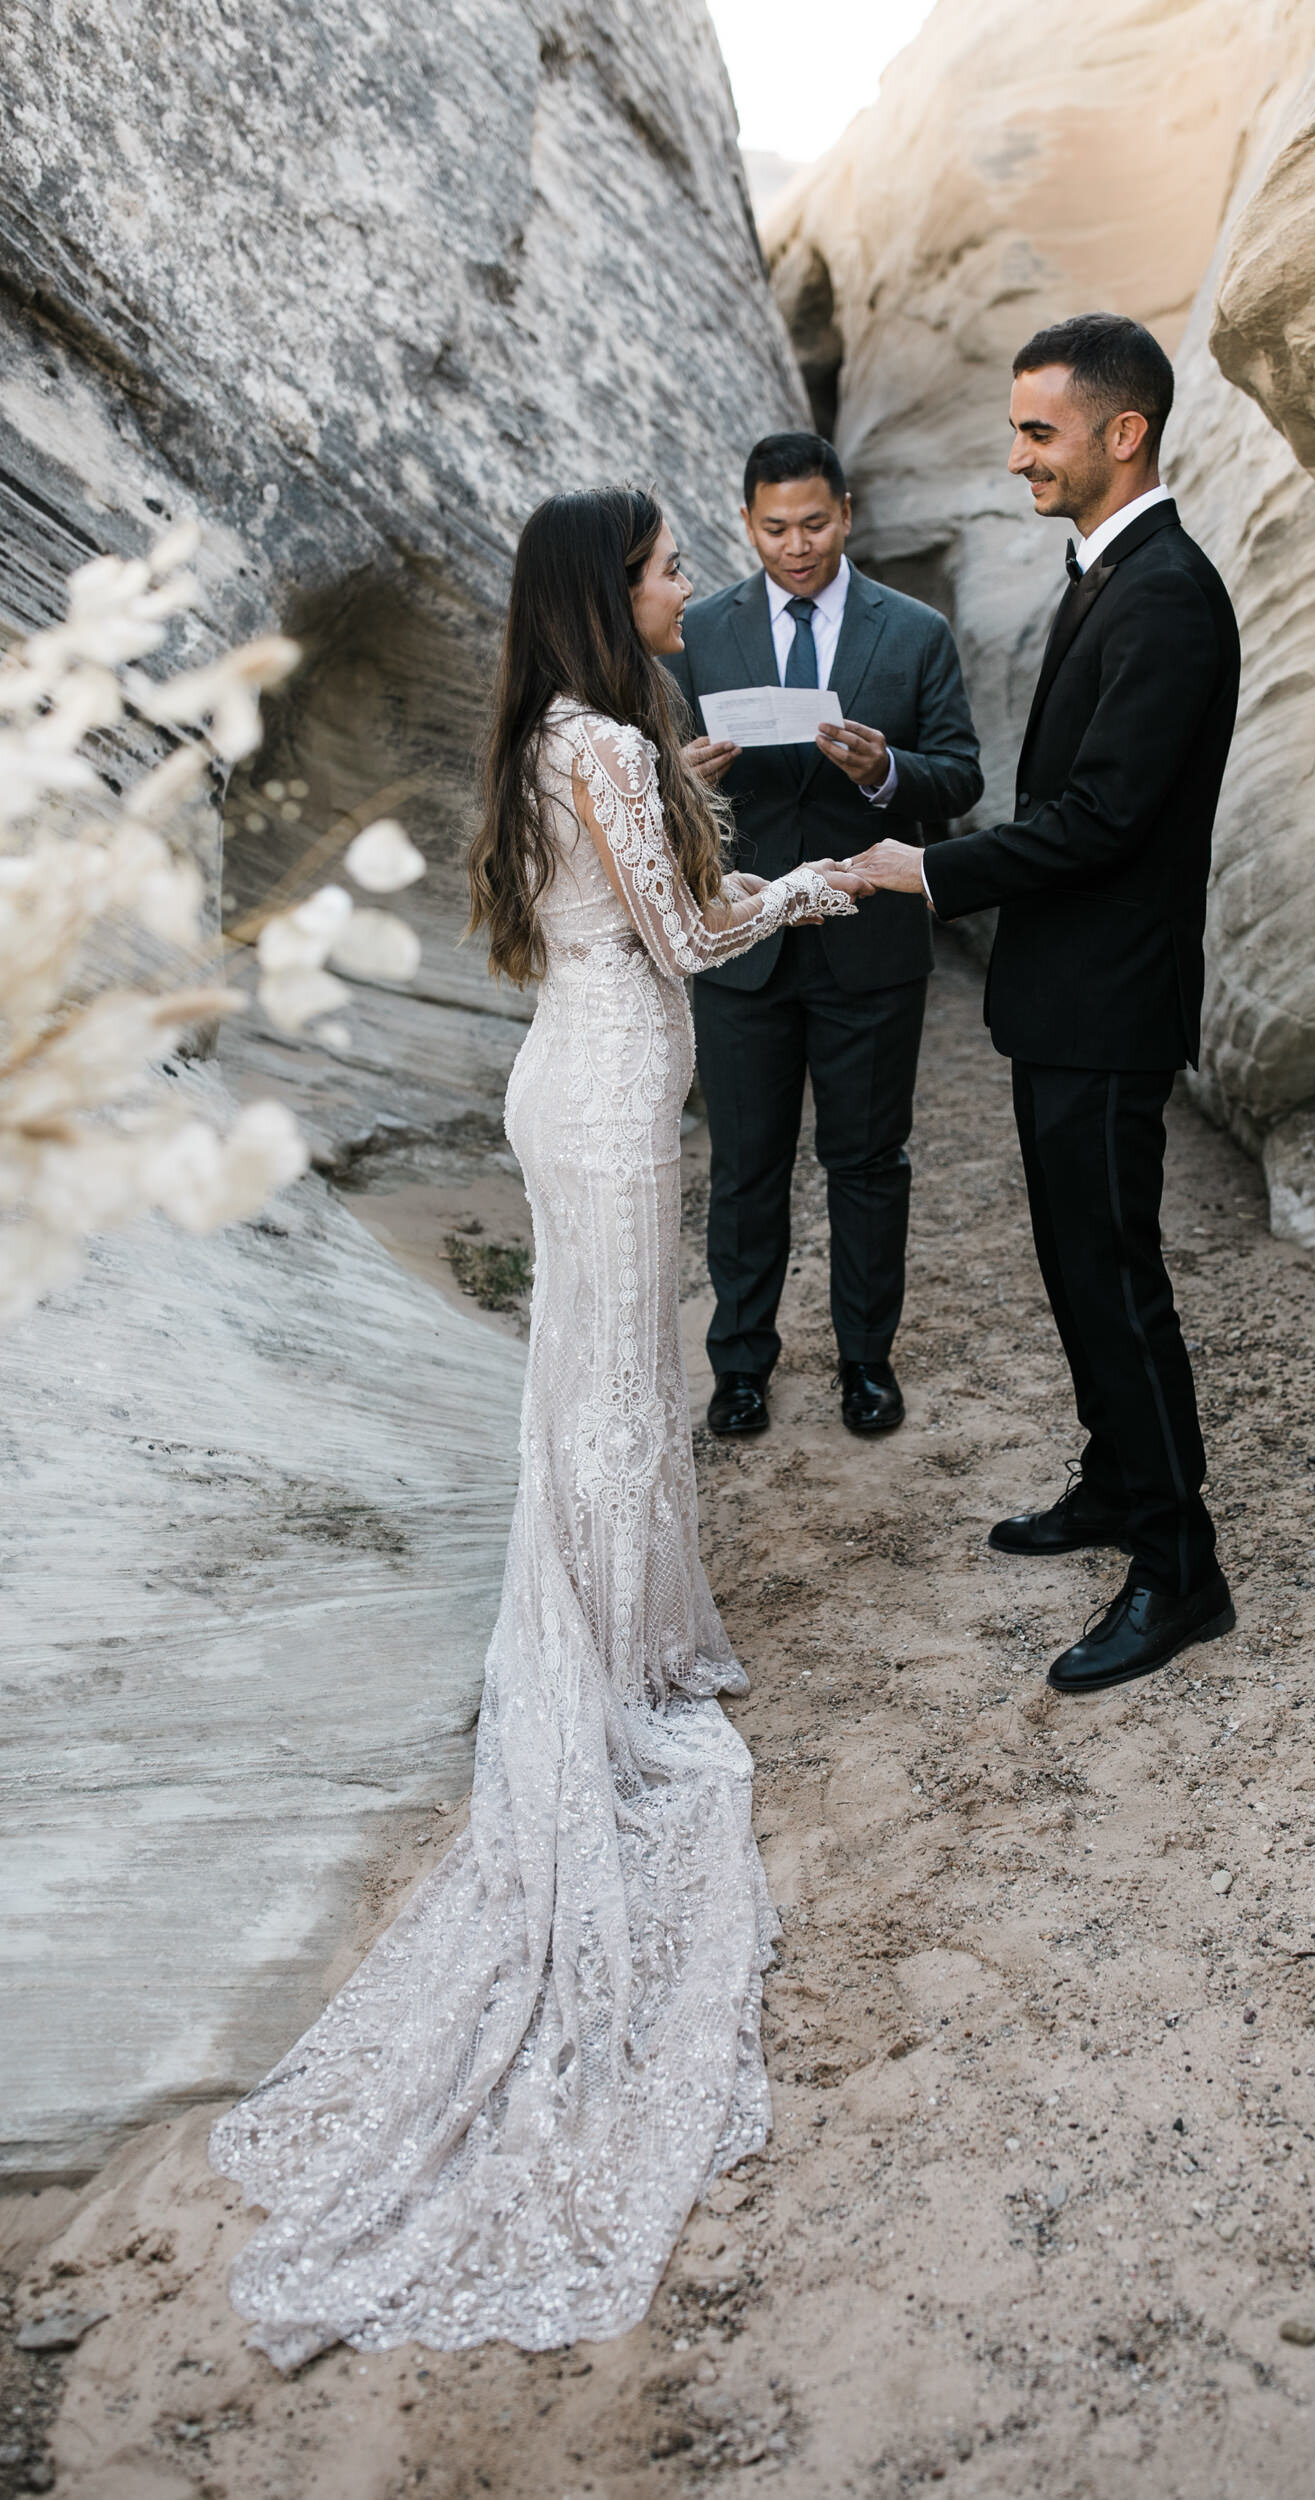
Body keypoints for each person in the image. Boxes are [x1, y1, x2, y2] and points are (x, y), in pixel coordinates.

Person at [209, 488, 868, 2366]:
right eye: (668, 568)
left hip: (584, 1077)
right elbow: (692, 935)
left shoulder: (573, 733)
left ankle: (636, 1630)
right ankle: (602, 1665)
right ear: (611, 593)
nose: (686, 588)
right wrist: (833, 877)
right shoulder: (594, 740)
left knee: (620, 1392)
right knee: (604, 1395)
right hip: (594, 1088)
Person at [852, 314, 1238, 1696]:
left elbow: (1103, 818)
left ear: (1120, 432)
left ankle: (1179, 1569)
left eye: (1036, 430)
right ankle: (1116, 1481)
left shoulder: (1164, 593)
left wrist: (928, 868)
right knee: (1080, 1265)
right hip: (1069, 993)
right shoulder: (1109, 572)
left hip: (1108, 999)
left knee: (1114, 1275)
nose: (1014, 453)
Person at [665, 431, 982, 1440]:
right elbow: (647, 783)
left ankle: (865, 1362)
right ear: (745, 523)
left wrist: (887, 773)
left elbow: (962, 775)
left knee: (867, 1160)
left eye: (812, 523)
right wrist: (684, 779)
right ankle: (741, 1367)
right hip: (743, 938)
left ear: (845, 513)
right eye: (772, 528)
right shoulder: (698, 629)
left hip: (868, 942)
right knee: (746, 1165)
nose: (794, 546)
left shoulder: (916, 630)